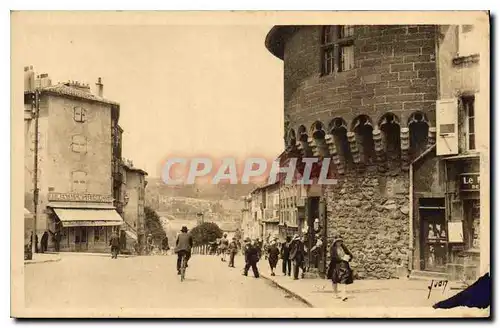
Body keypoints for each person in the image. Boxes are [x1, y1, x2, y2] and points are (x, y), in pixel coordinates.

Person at [326, 235, 353, 301]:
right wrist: (341, 258)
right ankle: (336, 294)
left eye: (340, 241)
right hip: (335, 266)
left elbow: (350, 254)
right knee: (334, 280)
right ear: (335, 242)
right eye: (338, 241)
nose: (339, 243)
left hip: (344, 266)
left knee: (343, 280)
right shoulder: (333, 248)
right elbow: (333, 257)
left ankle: (343, 295)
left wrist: (348, 258)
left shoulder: (343, 247)